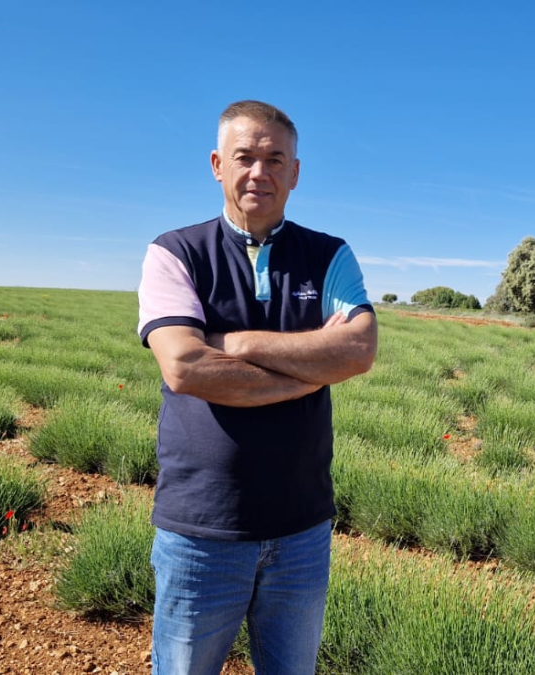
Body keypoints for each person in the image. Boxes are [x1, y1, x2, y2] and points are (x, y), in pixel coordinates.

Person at [136, 100, 377, 675]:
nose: (259, 173)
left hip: (302, 528)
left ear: (295, 172)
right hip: (202, 529)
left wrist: (238, 343)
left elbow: (358, 350)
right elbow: (186, 368)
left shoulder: (329, 255)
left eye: (275, 159)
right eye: (245, 157)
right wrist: (310, 370)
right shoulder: (175, 253)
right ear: (218, 165)